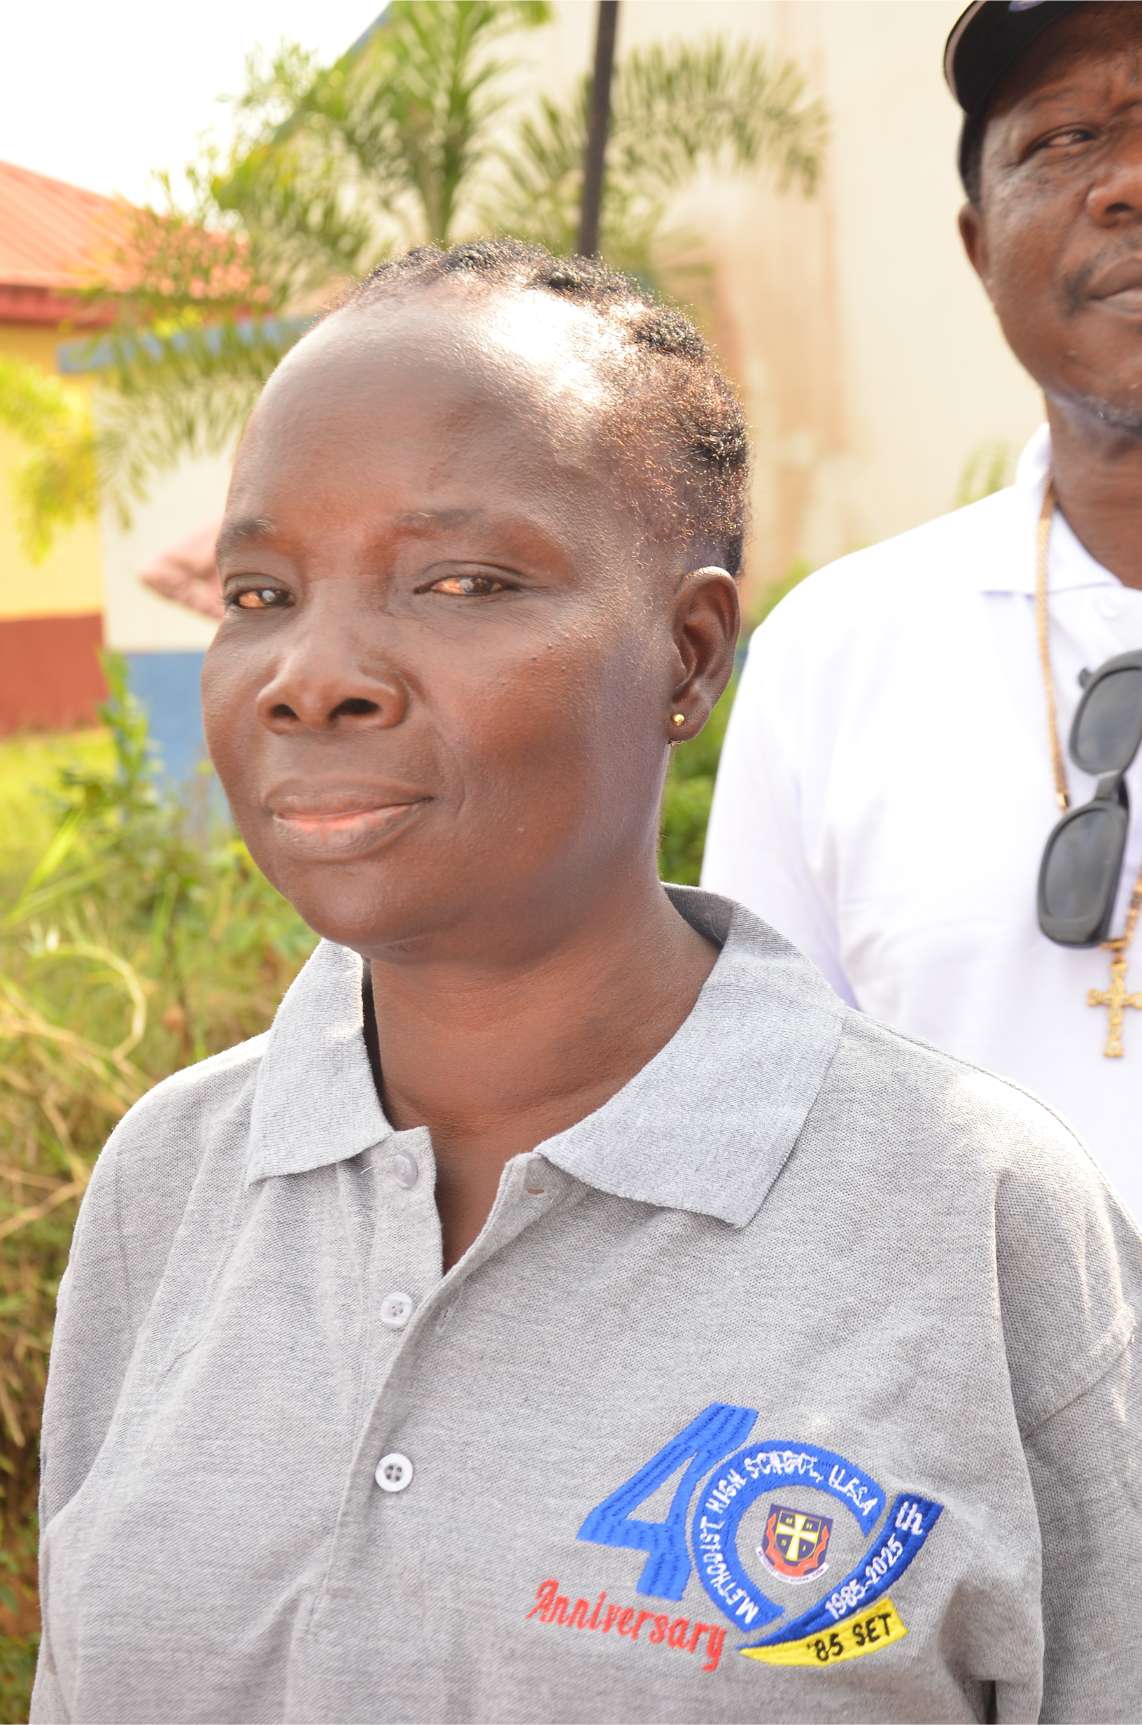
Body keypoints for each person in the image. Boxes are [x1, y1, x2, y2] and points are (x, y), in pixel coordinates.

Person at [32, 240, 1141, 1725]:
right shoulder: (170, 1180)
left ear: (687, 653)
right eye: (259, 590)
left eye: (459, 581)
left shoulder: (973, 1215)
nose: (313, 674)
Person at [703, 0, 1142, 1223]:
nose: (1125, 182)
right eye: (1063, 139)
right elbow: (763, 1115)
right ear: (976, 244)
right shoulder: (834, 653)